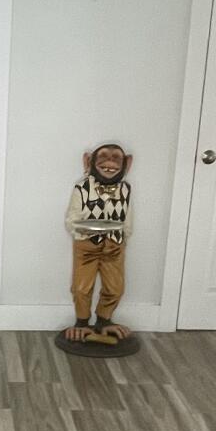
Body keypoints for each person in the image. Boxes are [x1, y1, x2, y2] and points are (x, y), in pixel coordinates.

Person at [63, 143, 133, 345]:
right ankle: (82, 322)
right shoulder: (82, 188)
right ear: (89, 161)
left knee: (116, 286)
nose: (110, 163)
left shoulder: (125, 189)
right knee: (81, 287)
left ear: (127, 164)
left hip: (115, 244)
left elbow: (128, 216)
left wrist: (124, 237)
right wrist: (81, 231)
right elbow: (72, 218)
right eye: (103, 157)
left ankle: (104, 319)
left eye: (116, 158)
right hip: (87, 243)